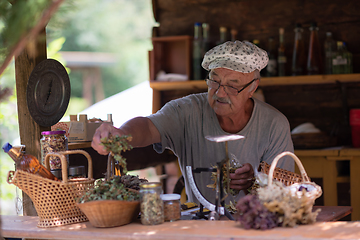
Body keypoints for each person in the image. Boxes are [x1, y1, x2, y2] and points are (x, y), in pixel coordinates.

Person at [92, 40, 294, 204]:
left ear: (253, 87)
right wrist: (122, 134)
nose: (220, 92)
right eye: (214, 81)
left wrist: (254, 182)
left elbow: (283, 192)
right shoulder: (186, 111)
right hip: (200, 224)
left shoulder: (274, 124)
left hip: (255, 227)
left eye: (233, 86)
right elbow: (148, 126)